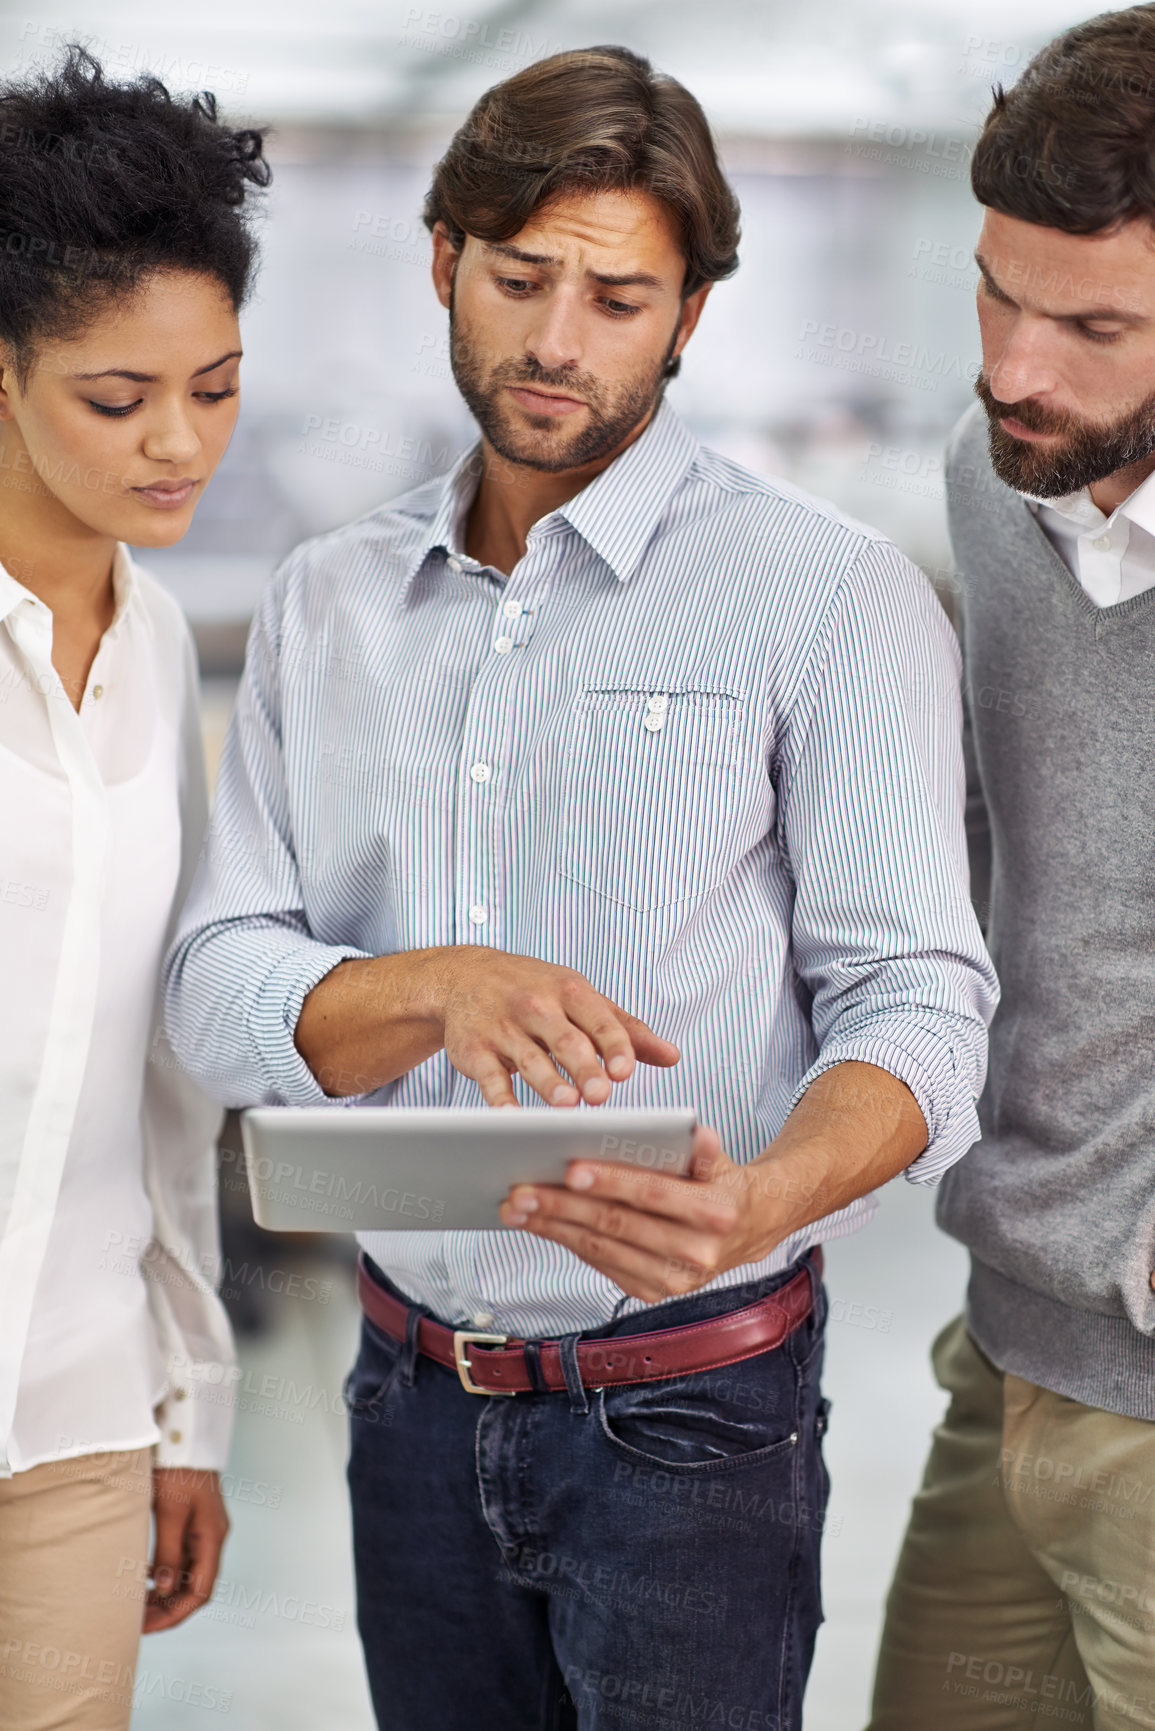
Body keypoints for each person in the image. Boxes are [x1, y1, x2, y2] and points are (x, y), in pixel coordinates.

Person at [165, 44, 996, 1730]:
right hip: (405, 1391)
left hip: (693, 1414)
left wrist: (766, 1200)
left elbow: (919, 997)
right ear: (441, 263)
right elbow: (213, 979)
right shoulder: (332, 602)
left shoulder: (823, 599)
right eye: (521, 277)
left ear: (689, 315)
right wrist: (422, 986)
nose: (557, 339)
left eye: (619, 295)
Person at [868, 9, 1155, 1728]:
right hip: (1009, 1349)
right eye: (997, 292)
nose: (1018, 366)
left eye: (1096, 325)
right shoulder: (997, 470)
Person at [0, 46, 268, 1731]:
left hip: (84, 1418)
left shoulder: (159, 643)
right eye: (118, 399)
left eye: (217, 387)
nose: (180, 444)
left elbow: (162, 1073)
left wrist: (194, 1404)